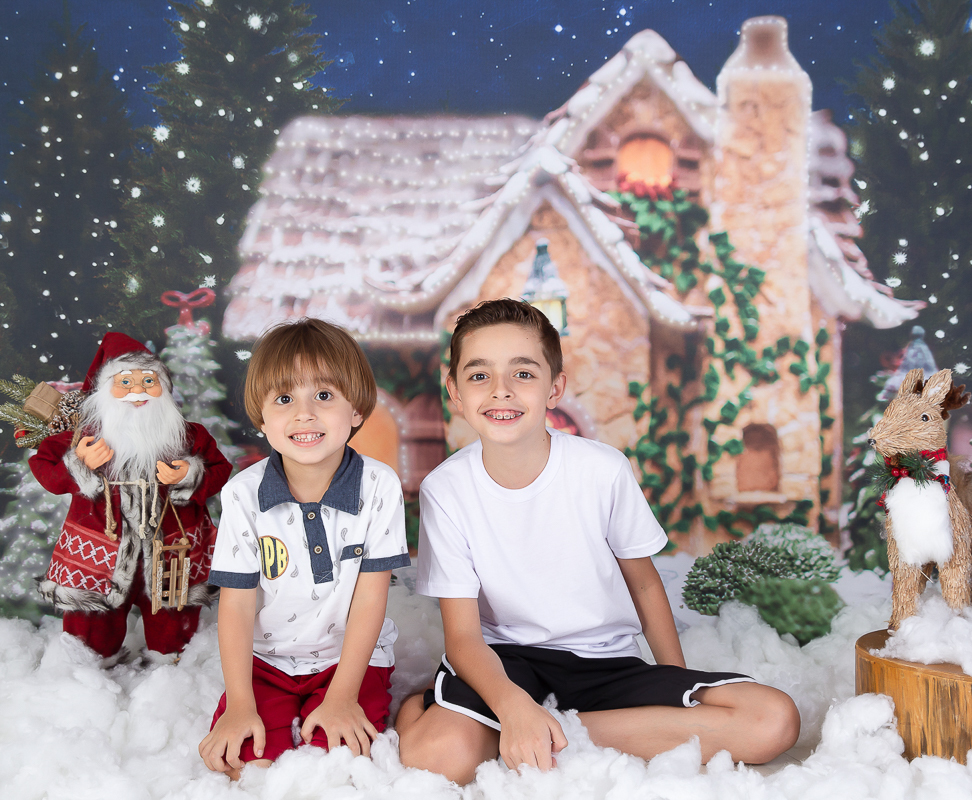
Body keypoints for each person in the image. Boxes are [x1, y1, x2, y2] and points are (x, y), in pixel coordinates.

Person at [396, 299, 800, 785]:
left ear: (555, 388)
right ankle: (476, 716)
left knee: (773, 721)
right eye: (479, 375)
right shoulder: (446, 490)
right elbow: (463, 637)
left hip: (606, 663)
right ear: (455, 392)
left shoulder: (602, 470)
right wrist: (513, 706)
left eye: (523, 373)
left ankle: (549, 733)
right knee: (438, 757)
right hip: (505, 663)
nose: (501, 390)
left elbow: (644, 585)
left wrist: (674, 682)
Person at [199, 319, 408, 778]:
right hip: (266, 661)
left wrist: (342, 696)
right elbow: (236, 605)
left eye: (324, 395)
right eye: (284, 399)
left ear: (356, 410)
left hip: (349, 660)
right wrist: (239, 704)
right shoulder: (242, 494)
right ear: (262, 418)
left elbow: (370, 598)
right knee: (244, 762)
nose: (304, 414)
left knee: (339, 760)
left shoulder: (379, 485)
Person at [32, 332, 232, 664]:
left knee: (174, 622)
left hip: (172, 550)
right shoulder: (83, 437)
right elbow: (45, 470)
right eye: (124, 382)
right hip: (100, 553)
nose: (137, 391)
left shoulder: (189, 436)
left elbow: (220, 470)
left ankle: (171, 668)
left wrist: (189, 474)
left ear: (163, 388)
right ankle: (89, 671)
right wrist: (78, 464)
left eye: (148, 381)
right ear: (105, 390)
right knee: (91, 628)